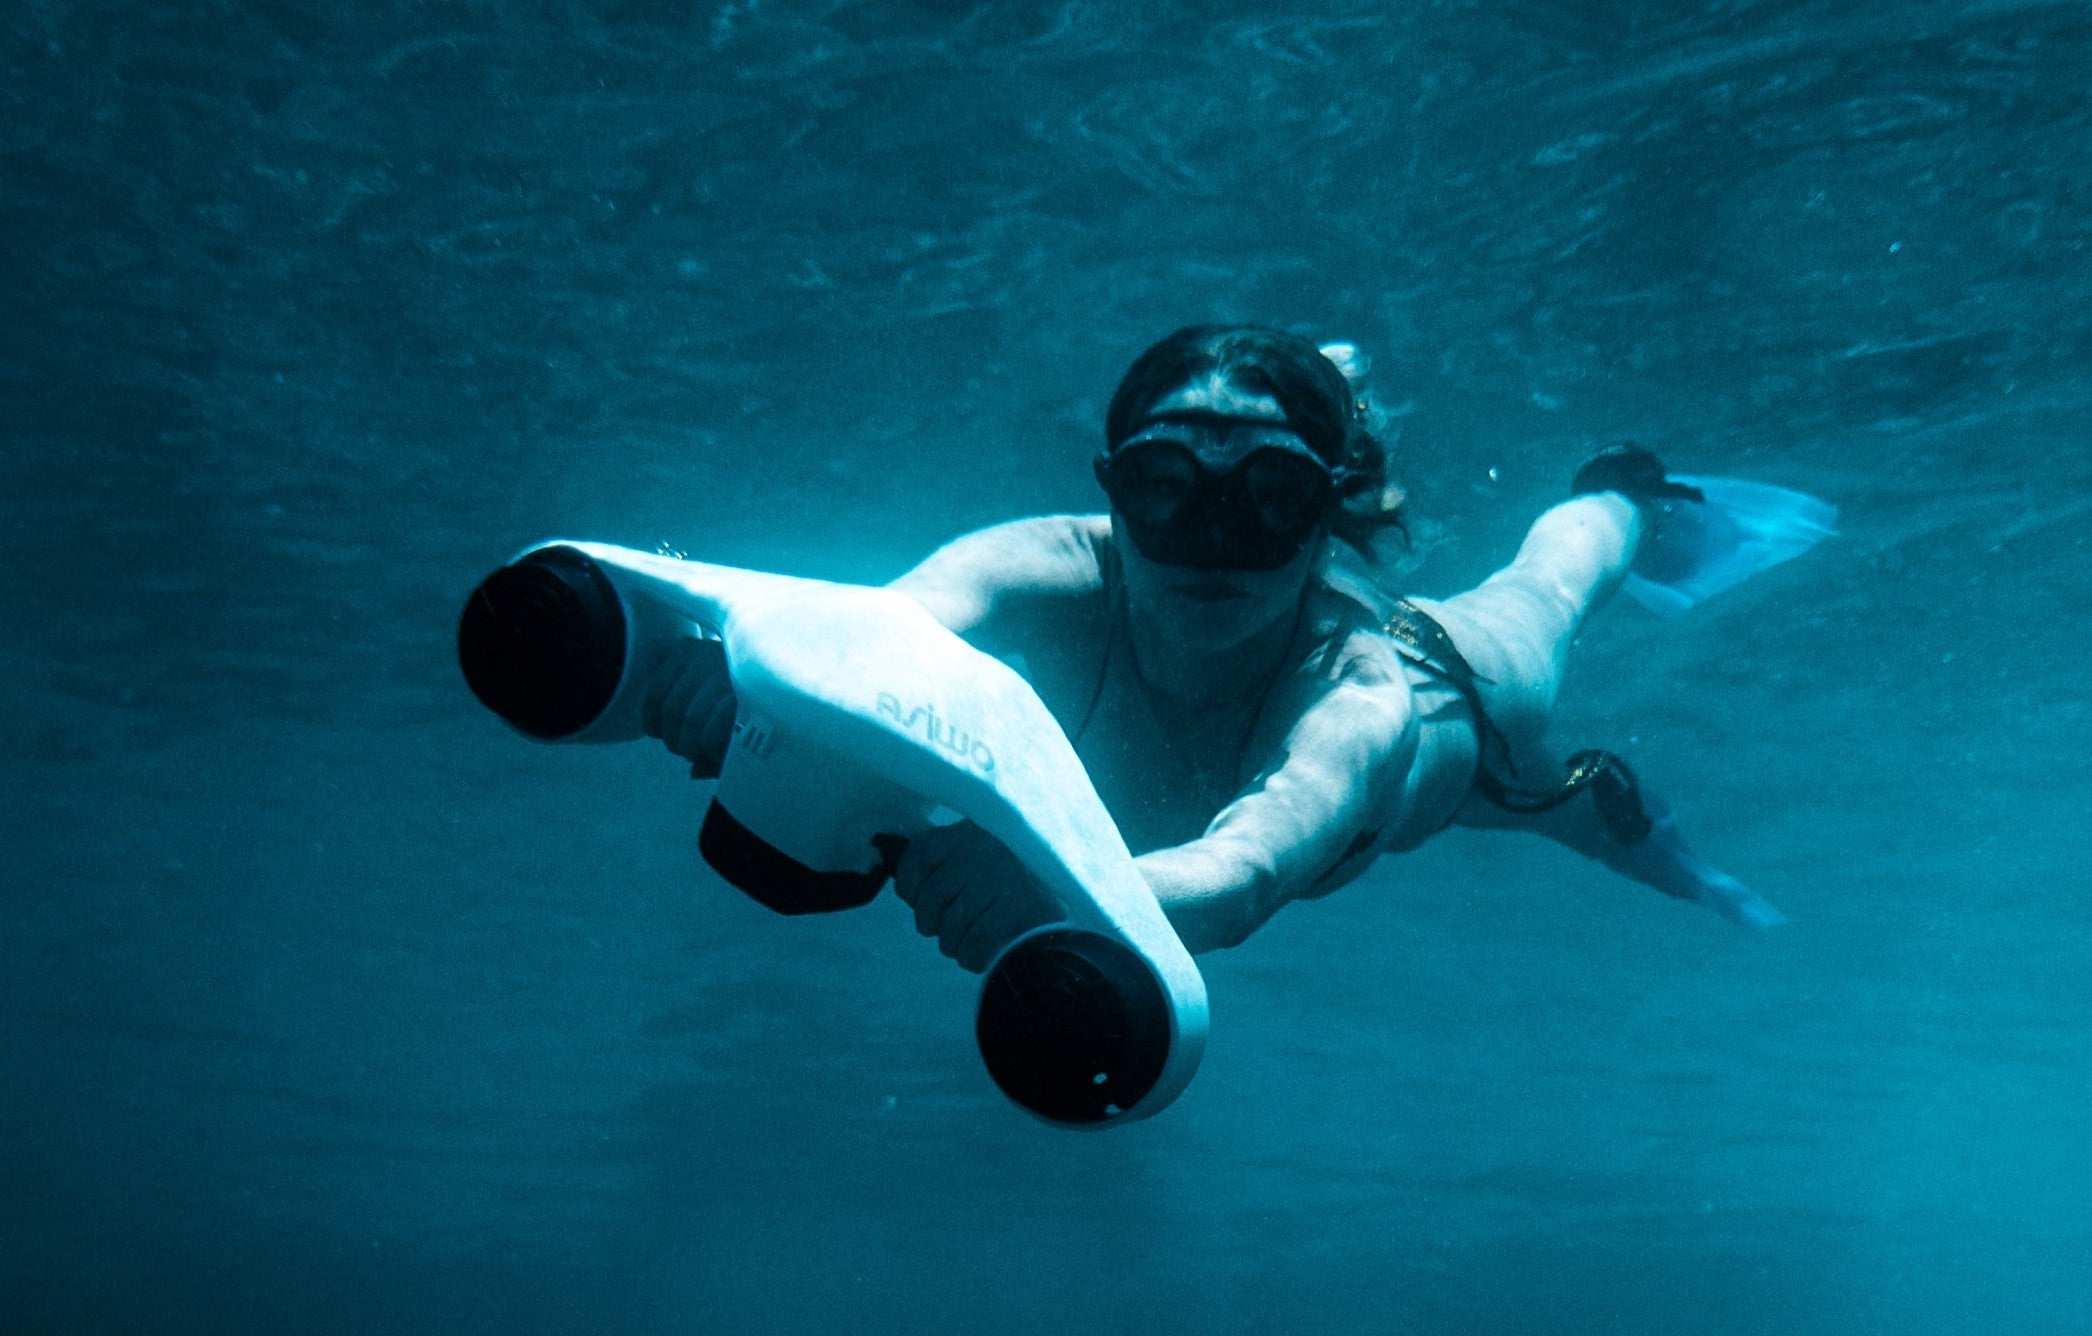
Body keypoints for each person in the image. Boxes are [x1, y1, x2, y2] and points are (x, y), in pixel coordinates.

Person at [649, 324, 1779, 970]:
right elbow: (876, 636)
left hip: (1456, 701)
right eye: (1165, 486)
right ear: (1113, 491)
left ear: (1325, 512)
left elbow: (1245, 874)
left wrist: (1055, 884)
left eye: (1272, 497)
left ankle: (1629, 498)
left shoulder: (1363, 696)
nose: (1214, 543)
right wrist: (746, 674)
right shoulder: (1039, 566)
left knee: (1545, 594)